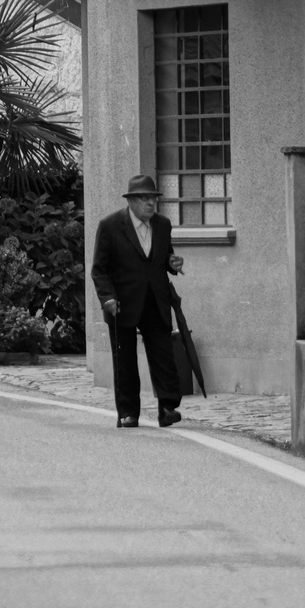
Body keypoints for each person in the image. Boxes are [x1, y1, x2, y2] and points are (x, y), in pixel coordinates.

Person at [91, 174, 185, 428]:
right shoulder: (110, 226)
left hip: (155, 299)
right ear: (131, 201)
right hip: (121, 303)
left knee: (163, 355)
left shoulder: (163, 225)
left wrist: (171, 263)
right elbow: (99, 269)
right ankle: (128, 412)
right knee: (125, 360)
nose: (151, 204)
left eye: (153, 198)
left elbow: (163, 257)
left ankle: (167, 408)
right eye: (145, 199)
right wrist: (107, 297)